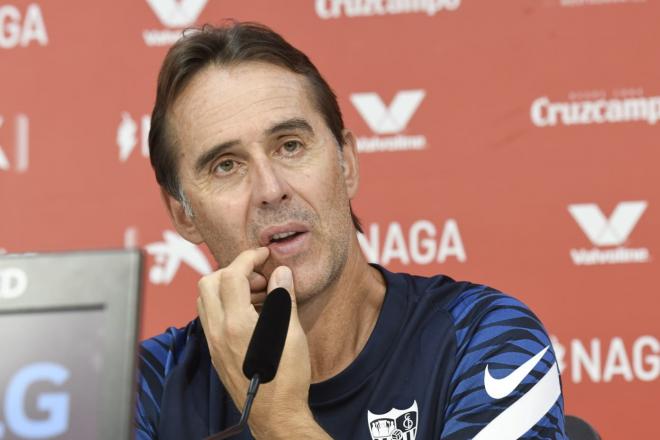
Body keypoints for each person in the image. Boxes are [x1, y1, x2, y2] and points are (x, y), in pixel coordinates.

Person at [136, 21, 566, 440]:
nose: (271, 189)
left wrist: (279, 421)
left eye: (290, 145)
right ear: (184, 215)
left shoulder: (482, 337)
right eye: (226, 165)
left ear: (346, 164)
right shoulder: (144, 387)